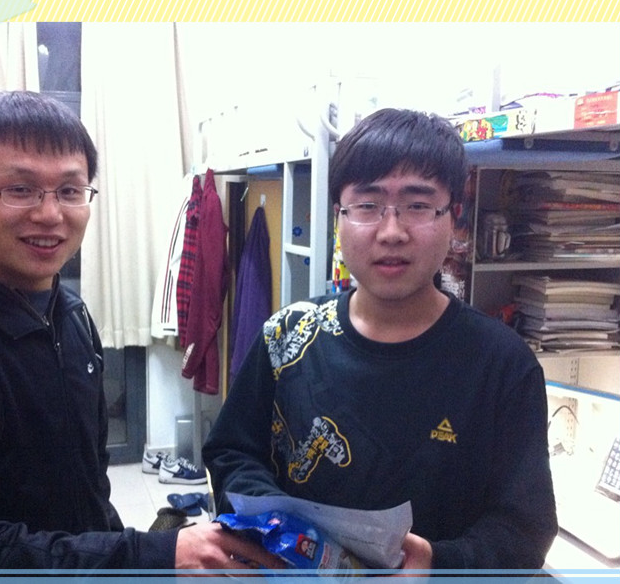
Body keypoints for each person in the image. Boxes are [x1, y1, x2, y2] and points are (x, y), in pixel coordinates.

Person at [0, 91, 282, 571]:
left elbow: (90, 491)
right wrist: (155, 555)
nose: (50, 215)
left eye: (69, 191)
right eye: (19, 189)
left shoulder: (73, 316)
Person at [203, 108, 558, 570]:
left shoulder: (502, 363)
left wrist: (436, 565)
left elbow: (525, 527)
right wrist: (281, 527)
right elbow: (232, 453)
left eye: (418, 205)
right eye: (367, 206)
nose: (392, 232)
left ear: (453, 219)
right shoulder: (288, 337)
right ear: (339, 218)